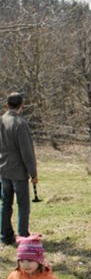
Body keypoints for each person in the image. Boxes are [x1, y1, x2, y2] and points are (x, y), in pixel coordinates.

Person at [0, 92, 38, 245]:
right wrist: (33, 173)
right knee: (23, 205)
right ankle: (23, 235)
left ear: (7, 105)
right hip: (18, 172)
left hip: (3, 169)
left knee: (6, 204)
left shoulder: (1, 121)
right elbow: (27, 152)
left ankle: (5, 236)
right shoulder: (19, 124)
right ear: (21, 106)